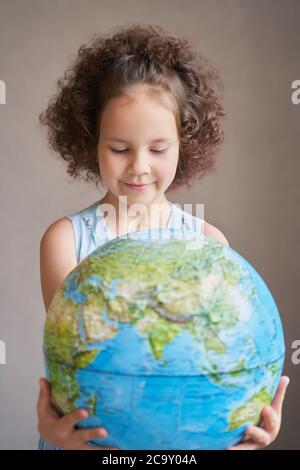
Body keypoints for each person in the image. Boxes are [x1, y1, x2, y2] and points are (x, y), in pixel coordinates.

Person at [37, 23, 289, 450]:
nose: (138, 166)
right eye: (120, 148)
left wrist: (244, 416)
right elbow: (71, 361)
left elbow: (223, 361)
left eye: (158, 149)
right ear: (89, 140)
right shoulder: (65, 240)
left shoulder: (210, 243)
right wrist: (51, 433)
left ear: (184, 144)